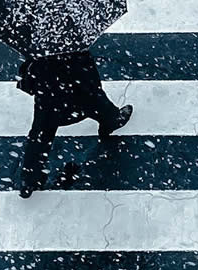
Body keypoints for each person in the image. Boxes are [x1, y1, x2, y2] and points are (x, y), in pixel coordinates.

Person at [16, 49, 132, 198]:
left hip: (48, 88)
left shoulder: (37, 44)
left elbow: (29, 68)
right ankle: (111, 121)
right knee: (95, 101)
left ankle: (29, 180)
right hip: (77, 80)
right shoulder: (72, 42)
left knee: (41, 132)